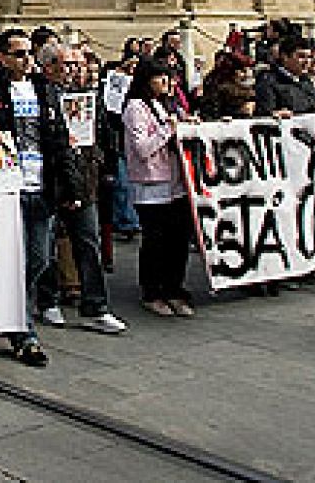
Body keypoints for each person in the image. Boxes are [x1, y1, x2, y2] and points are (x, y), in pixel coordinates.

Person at [0, 28, 82, 368]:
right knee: (11, 259)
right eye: (18, 53)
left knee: (39, 258)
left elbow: (59, 140)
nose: (27, 59)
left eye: (29, 53)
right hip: (5, 189)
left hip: (41, 185)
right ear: (1, 56)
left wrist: (71, 188)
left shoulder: (45, 89)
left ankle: (11, 308)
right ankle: (22, 330)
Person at [34, 43, 127, 336]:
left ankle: (95, 306)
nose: (75, 69)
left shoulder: (88, 96)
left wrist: (102, 164)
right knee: (46, 246)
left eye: (78, 64)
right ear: (49, 67)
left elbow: (102, 134)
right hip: (51, 179)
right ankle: (48, 299)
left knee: (88, 242)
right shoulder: (37, 95)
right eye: (68, 64)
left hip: (84, 178)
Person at [123, 58, 196, 318]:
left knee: (178, 239)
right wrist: (168, 130)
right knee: (156, 240)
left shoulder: (167, 105)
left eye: (169, 78)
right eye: (160, 78)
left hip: (176, 181)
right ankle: (152, 291)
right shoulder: (135, 108)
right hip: (151, 184)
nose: (167, 83)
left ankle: (174, 287)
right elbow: (142, 148)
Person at [254, 34, 315, 117]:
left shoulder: (306, 81)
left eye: (309, 57)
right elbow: (264, 113)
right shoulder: (268, 81)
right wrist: (274, 114)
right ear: (285, 57)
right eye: (301, 56)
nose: (307, 61)